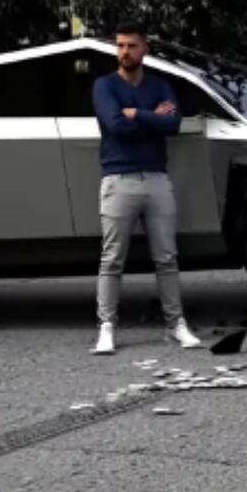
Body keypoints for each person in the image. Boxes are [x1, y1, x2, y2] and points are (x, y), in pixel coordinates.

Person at [91, 21, 201, 354]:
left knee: (166, 257)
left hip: (156, 178)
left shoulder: (159, 85)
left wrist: (135, 113)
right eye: (120, 46)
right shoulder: (104, 86)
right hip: (118, 179)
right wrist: (150, 117)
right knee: (112, 259)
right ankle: (106, 327)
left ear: (145, 49)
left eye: (131, 46)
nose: (125, 52)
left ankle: (176, 324)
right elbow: (115, 125)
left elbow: (174, 123)